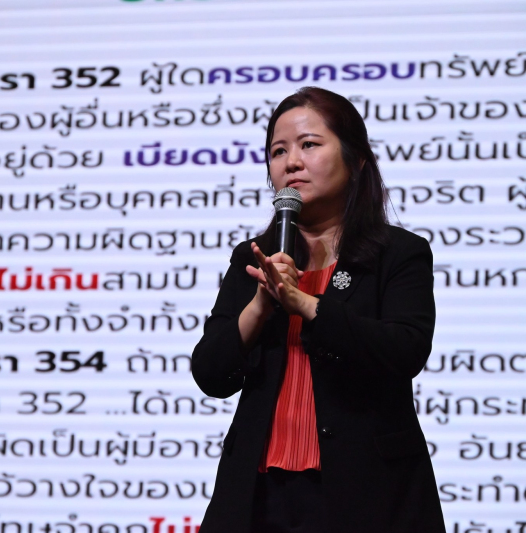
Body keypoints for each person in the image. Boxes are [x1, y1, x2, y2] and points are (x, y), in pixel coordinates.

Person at [191, 86, 445, 533]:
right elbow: (210, 374)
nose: (291, 162)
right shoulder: (252, 259)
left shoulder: (397, 253)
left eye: (309, 145)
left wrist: (306, 304)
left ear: (356, 159)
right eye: (278, 151)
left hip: (366, 492)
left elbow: (405, 351)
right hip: (259, 494)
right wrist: (260, 306)